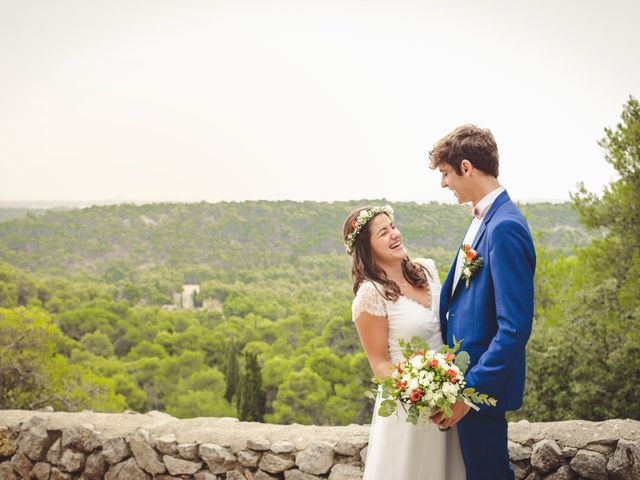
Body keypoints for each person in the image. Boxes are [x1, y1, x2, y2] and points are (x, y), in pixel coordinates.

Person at [428, 124, 536, 480]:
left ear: (466, 167)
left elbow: (514, 327)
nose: (443, 183)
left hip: (480, 390)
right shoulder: (481, 220)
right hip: (463, 380)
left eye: (445, 173)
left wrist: (470, 393)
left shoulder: (505, 226)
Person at [343, 205, 466, 480]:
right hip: (410, 410)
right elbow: (380, 364)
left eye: (393, 227)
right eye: (383, 233)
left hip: (448, 401)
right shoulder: (370, 295)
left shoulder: (427, 269)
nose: (394, 235)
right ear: (367, 248)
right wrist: (421, 392)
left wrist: (445, 390)